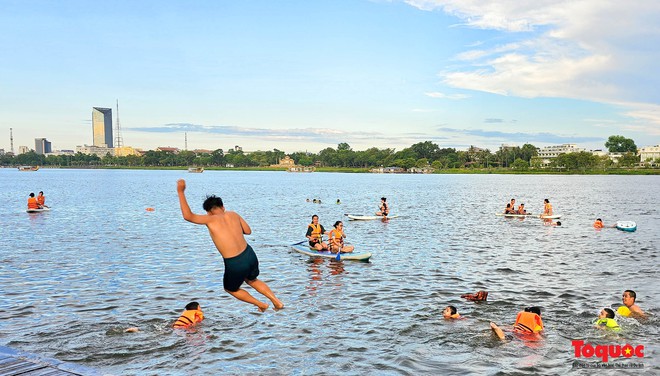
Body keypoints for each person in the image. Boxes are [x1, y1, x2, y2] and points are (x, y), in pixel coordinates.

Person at [177, 179, 283, 312]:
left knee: (230, 288)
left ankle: (261, 304)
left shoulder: (209, 219)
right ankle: (277, 302)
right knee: (252, 280)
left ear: (208, 212)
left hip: (235, 261)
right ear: (223, 207)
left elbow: (188, 216)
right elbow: (248, 231)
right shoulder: (233, 214)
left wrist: (180, 191)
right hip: (249, 254)